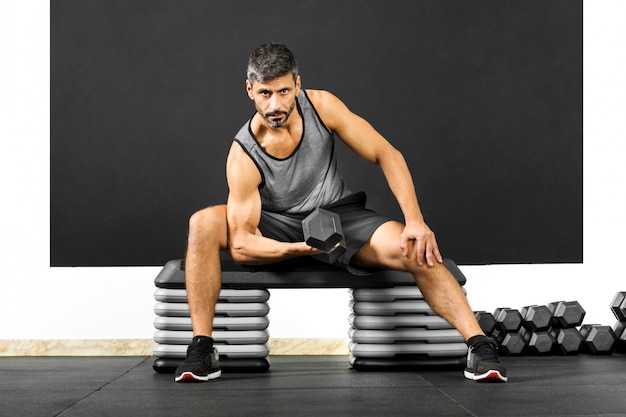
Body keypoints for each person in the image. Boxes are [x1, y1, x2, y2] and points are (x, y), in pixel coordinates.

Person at [175, 43, 507, 383]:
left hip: (339, 217)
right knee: (202, 222)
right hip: (278, 225)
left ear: (298, 85)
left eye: (283, 91)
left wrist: (416, 221)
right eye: (264, 94)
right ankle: (202, 348)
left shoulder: (322, 107)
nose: (274, 105)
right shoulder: (243, 153)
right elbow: (244, 244)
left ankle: (480, 346)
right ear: (250, 90)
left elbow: (387, 154)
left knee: (413, 246)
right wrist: (302, 248)